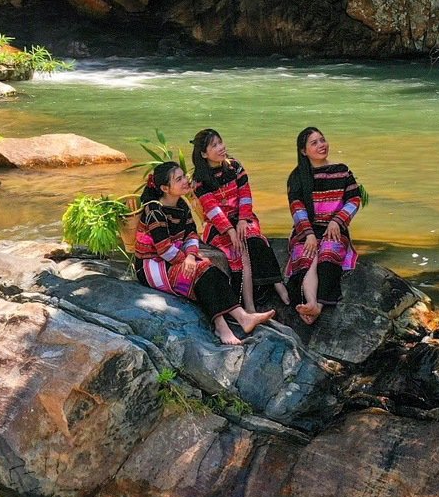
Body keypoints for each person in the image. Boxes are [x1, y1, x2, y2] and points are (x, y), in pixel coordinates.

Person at [134, 160, 276, 345]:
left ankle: (241, 317)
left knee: (209, 269)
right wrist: (186, 260)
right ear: (165, 188)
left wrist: (191, 256)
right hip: (152, 264)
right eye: (179, 179)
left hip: (176, 256)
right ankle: (223, 327)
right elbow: (163, 249)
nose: (185, 180)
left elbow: (191, 234)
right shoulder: (154, 210)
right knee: (201, 273)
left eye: (184, 176)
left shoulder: (182, 204)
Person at [190, 128, 290, 317]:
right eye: (215, 146)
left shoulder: (234, 166)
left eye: (221, 142)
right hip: (218, 226)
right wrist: (230, 231)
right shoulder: (200, 181)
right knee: (239, 253)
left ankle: (278, 284)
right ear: (204, 154)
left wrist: (243, 219)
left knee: (254, 239)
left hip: (243, 217)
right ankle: (250, 307)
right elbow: (212, 209)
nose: (221, 148)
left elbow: (245, 194)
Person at [284, 126, 362, 325]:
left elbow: (354, 199)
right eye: (314, 142)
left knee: (328, 254)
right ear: (303, 151)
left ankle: (317, 306)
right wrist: (309, 234)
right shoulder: (297, 177)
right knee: (307, 256)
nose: (322, 145)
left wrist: (338, 221)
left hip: (334, 228)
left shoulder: (342, 171)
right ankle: (309, 301)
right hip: (306, 229)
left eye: (322, 140)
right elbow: (297, 208)